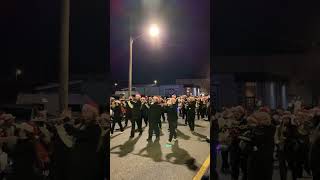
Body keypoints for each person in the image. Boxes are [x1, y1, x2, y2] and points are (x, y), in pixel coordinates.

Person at [68, 104, 102, 180]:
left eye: (87, 111)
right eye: (83, 111)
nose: (84, 114)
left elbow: (80, 134)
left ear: (93, 113)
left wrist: (68, 125)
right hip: (78, 161)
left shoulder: (95, 127)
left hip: (87, 162)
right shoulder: (83, 124)